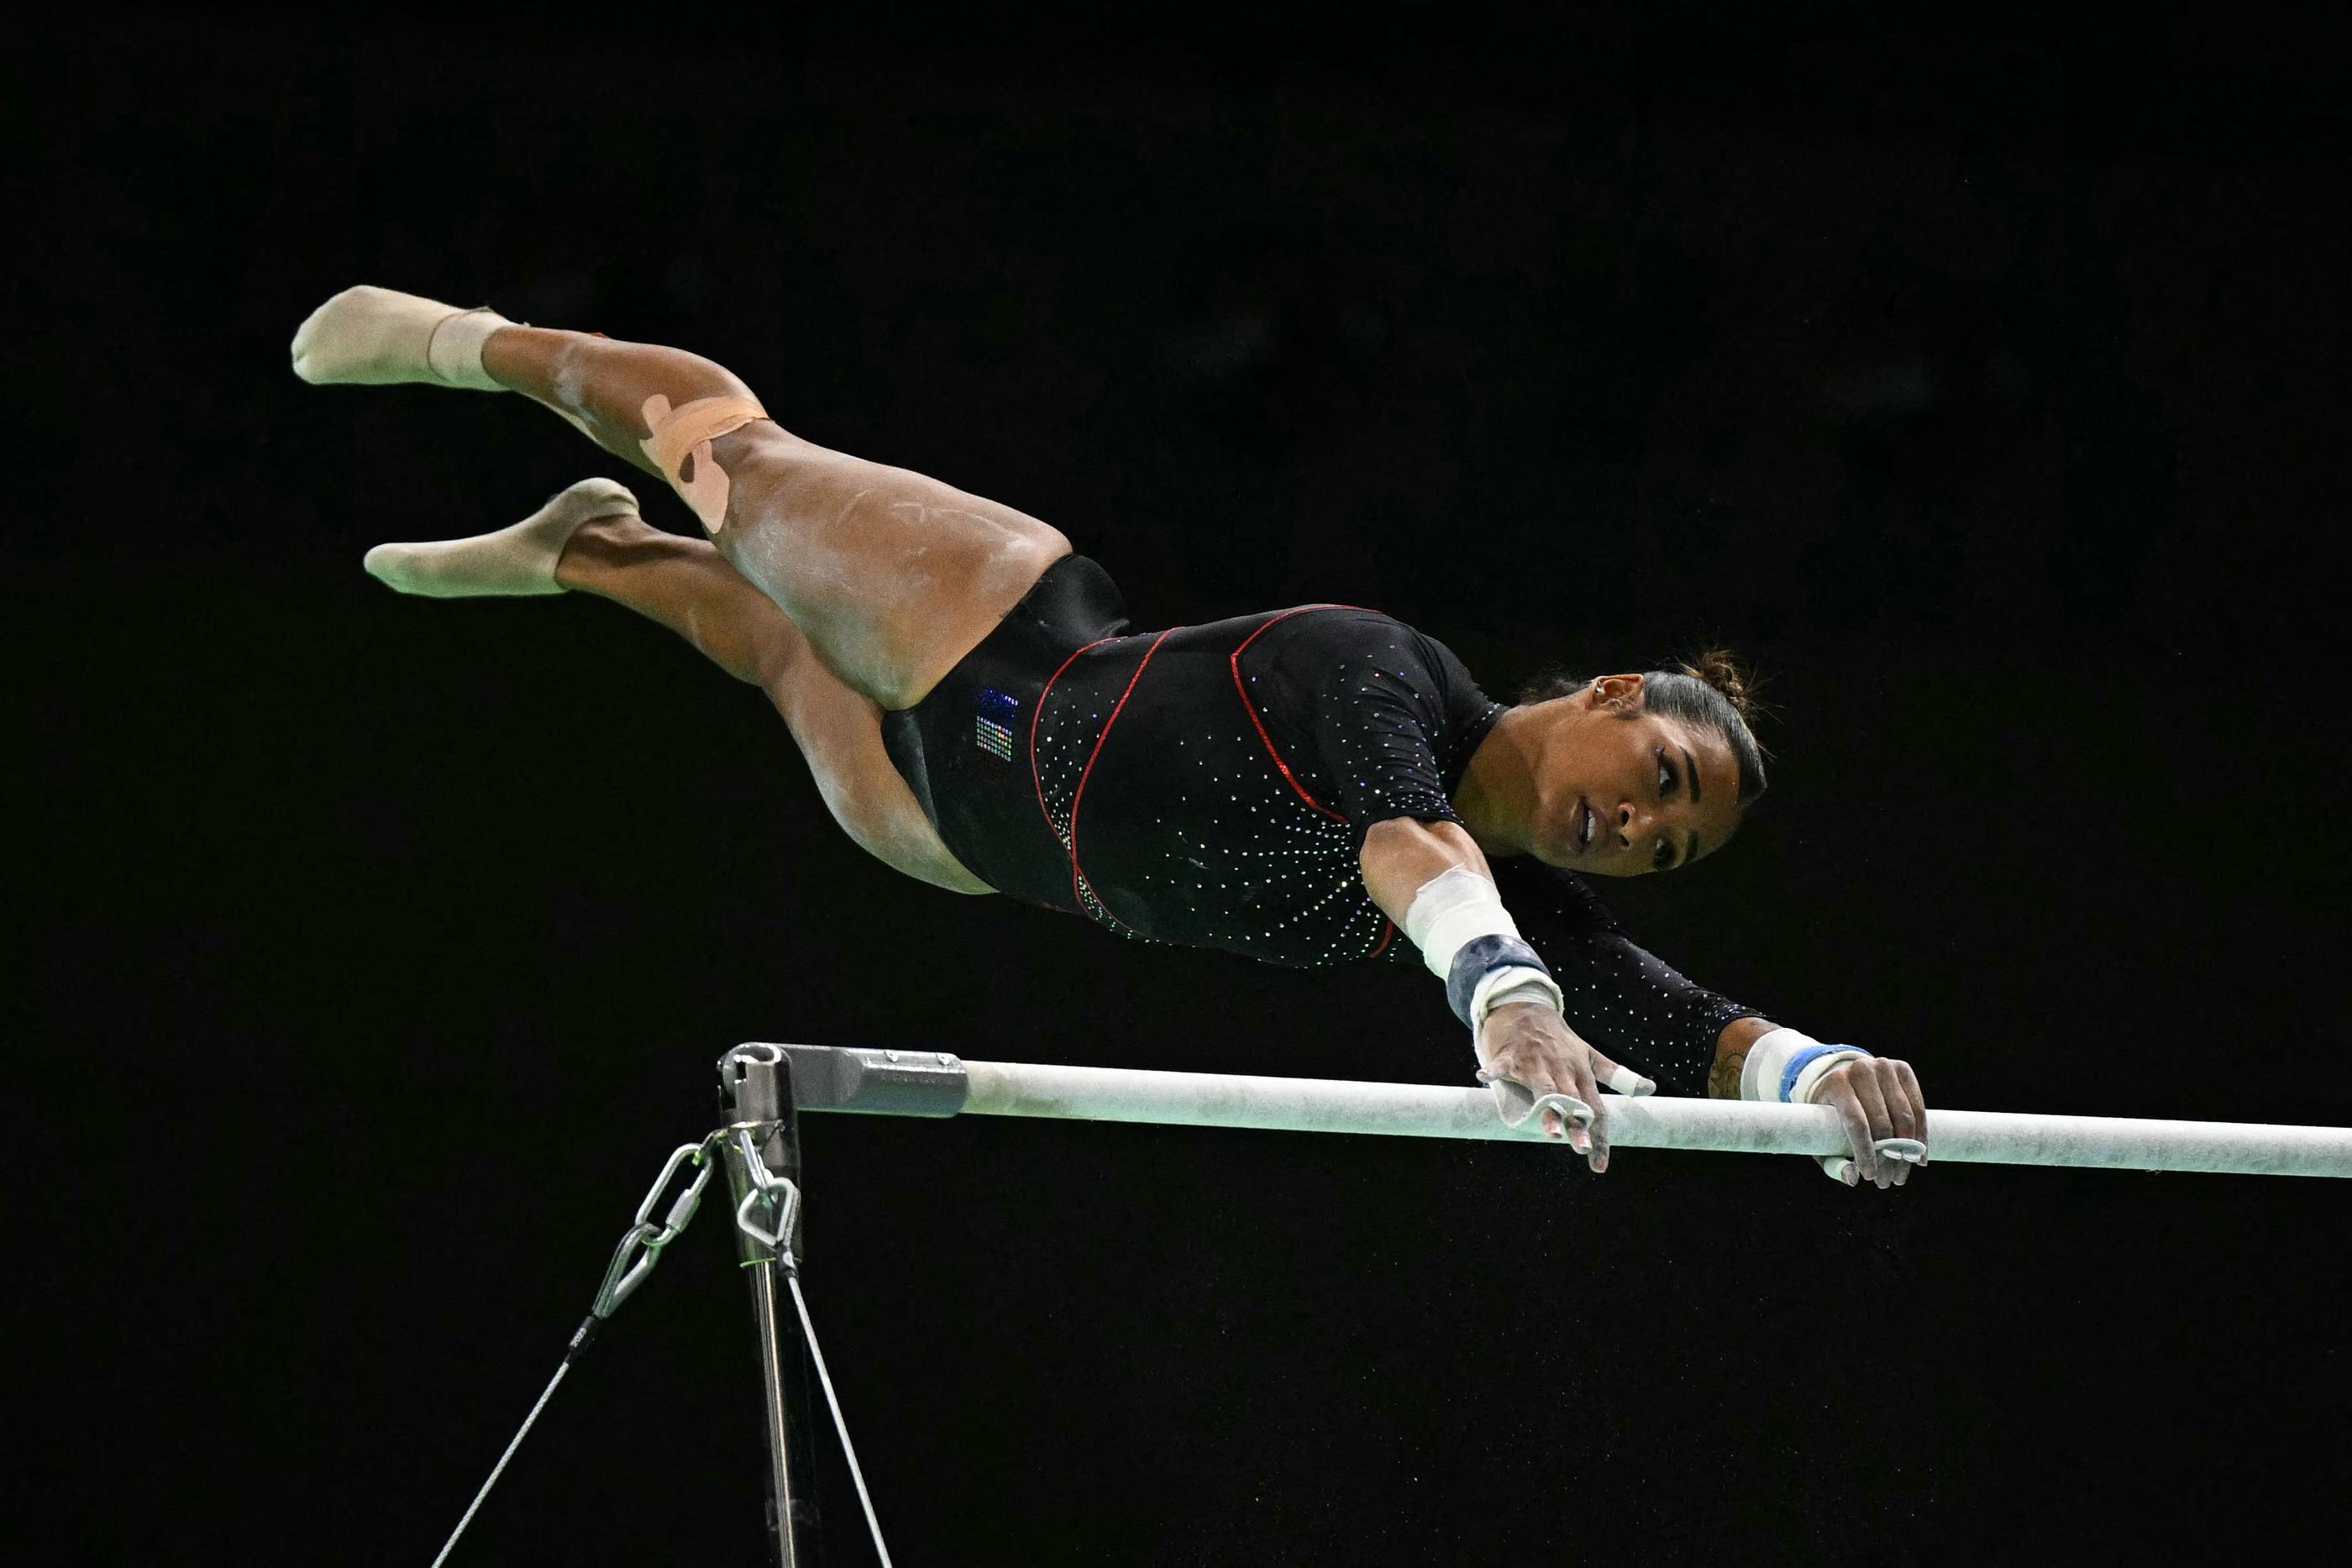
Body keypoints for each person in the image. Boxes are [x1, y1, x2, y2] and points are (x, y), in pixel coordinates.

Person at [291, 286, 1929, 1188]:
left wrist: (1807, 1081)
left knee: (749, 636)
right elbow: (1405, 841)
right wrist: (1501, 1001)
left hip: (965, 836)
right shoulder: (1384, 677)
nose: (1641, 833)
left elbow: (1669, 1014)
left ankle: (581, 548)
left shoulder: (1520, 914)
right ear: (1606, 700)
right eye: (1659, 784)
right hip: (984, 637)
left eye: (1672, 845)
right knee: (723, 456)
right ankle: (471, 341)